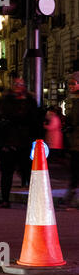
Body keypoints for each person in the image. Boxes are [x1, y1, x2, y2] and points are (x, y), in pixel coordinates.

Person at [0, 77, 38, 208]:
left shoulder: (30, 101)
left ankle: (35, 201)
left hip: (24, 141)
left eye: (20, 84)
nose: (18, 86)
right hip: (8, 141)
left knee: (27, 172)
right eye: (16, 84)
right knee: (6, 173)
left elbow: (34, 121)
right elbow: (0, 119)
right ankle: (5, 199)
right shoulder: (7, 100)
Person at [62, 73, 79, 208]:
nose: (70, 86)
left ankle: (71, 198)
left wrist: (70, 125)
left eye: (73, 83)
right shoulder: (75, 100)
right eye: (69, 84)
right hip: (75, 143)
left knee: (75, 172)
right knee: (74, 172)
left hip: (77, 143)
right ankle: (71, 197)